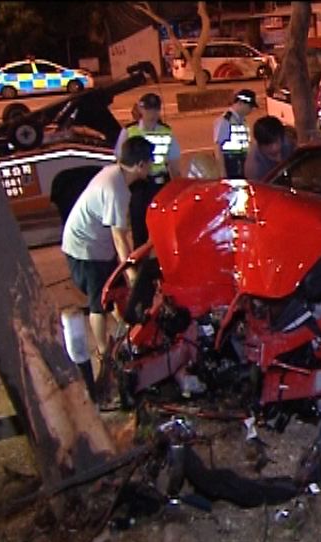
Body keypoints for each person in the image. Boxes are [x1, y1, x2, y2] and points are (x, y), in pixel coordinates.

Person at [62, 136, 154, 396]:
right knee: (98, 303)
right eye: (149, 163)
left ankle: (126, 332)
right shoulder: (117, 190)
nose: (151, 168)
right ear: (139, 165)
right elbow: (119, 237)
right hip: (85, 249)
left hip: (95, 246)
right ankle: (103, 353)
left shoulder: (114, 174)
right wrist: (131, 271)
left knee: (114, 293)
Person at [114, 92, 182, 248]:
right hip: (138, 185)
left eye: (155, 110)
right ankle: (141, 264)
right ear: (140, 110)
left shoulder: (166, 131)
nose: (152, 114)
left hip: (159, 183)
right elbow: (120, 161)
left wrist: (177, 187)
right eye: (148, 110)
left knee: (162, 226)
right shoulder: (129, 131)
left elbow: (174, 163)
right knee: (139, 226)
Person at [213, 88, 258, 178]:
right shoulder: (225, 120)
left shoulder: (242, 120)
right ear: (240, 103)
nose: (251, 110)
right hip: (230, 166)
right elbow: (218, 148)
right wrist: (223, 174)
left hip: (241, 166)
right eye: (250, 107)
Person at [244, 115, 296, 181]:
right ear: (260, 145)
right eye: (269, 145)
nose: (275, 148)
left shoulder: (289, 141)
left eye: (277, 141)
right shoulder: (254, 168)